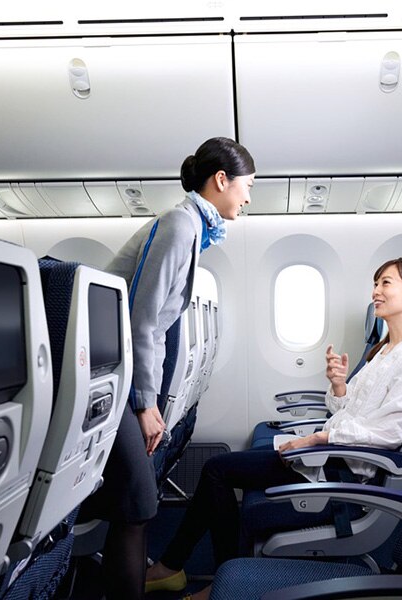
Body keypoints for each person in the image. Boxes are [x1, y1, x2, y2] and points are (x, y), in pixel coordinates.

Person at [145, 256, 402, 600]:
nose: (375, 291)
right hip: (329, 454)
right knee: (218, 470)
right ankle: (186, 568)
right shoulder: (385, 350)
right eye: (375, 283)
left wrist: (320, 438)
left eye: (386, 283)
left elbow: (395, 431)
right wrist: (339, 385)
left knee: (217, 471)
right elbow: (348, 412)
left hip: (341, 470)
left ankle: (203, 575)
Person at [79, 137, 255, 600]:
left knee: (137, 502)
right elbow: (141, 320)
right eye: (248, 186)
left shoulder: (191, 228)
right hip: (106, 374)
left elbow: (155, 327)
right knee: (138, 501)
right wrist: (146, 403)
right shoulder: (179, 225)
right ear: (222, 180)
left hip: (119, 372)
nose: (248, 198)